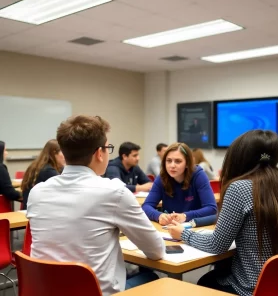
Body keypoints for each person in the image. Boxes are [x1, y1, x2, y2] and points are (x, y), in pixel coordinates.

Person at [27, 115, 165, 296]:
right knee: (152, 278)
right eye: (108, 148)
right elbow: (156, 251)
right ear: (99, 153)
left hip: (44, 290)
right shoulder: (114, 192)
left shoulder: (37, 192)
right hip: (96, 292)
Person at [168, 130, 278, 296]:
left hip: (253, 288)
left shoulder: (240, 188)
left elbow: (217, 244)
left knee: (205, 281)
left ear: (238, 157)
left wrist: (184, 234)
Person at [142, 142, 217, 225]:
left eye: (178, 161)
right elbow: (146, 206)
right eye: (169, 161)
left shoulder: (198, 175)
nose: (172, 165)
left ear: (187, 164)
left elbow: (211, 208)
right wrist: (159, 216)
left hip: (194, 227)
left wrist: (185, 216)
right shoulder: (162, 177)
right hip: (169, 228)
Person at [21, 139, 65, 210]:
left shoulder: (37, 165)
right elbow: (65, 190)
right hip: (38, 211)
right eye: (63, 152)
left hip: (31, 210)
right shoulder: (48, 171)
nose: (66, 156)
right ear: (54, 153)